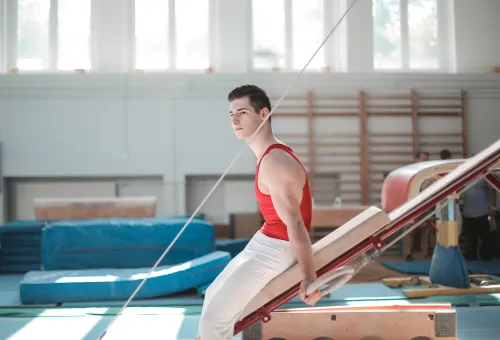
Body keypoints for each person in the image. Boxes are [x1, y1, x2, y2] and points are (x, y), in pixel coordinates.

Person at [198, 84, 321, 339]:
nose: (235, 120)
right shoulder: (265, 156)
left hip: (277, 248)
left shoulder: (275, 161)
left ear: (264, 114)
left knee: (214, 318)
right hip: (264, 241)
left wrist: (309, 276)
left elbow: (296, 224)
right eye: (231, 114)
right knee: (211, 298)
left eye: (242, 112)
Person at [461, 178, 497, 260]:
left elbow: (493, 190)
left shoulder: (484, 176)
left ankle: (486, 259)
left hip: (482, 213)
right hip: (467, 214)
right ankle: (472, 259)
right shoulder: (465, 177)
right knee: (470, 240)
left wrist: (493, 207)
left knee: (484, 238)